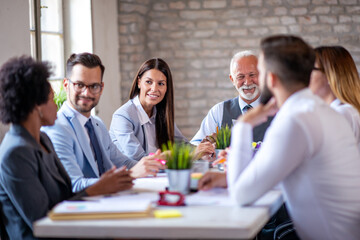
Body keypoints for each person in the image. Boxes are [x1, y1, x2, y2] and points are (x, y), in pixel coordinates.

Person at [199, 35, 360, 240]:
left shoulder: (295, 120)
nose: (251, 81)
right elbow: (285, 171)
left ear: (271, 79)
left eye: (260, 72)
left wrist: (243, 125)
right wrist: (227, 179)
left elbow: (241, 196)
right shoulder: (321, 110)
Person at [0, 56, 134, 239]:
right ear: (37, 106)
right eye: (52, 99)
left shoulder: (43, 140)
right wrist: (96, 188)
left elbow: (66, 192)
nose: (57, 105)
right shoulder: (15, 152)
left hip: (68, 227)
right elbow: (42, 218)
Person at [43, 53, 164, 193]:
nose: (86, 93)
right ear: (66, 85)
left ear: (101, 88)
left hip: (112, 200)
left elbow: (123, 162)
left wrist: (149, 165)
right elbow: (74, 184)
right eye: (79, 85)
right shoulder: (57, 128)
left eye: (94, 86)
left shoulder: (97, 124)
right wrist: (130, 174)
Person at [109, 58, 214, 161]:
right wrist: (175, 155)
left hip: (157, 175)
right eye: (149, 82)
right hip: (133, 177)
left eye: (161, 84)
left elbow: (182, 145)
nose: (154, 89)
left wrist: (203, 149)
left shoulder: (160, 114)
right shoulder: (123, 116)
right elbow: (139, 159)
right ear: (139, 82)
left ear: (167, 87)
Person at [190, 50, 272, 146]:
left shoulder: (277, 109)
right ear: (232, 79)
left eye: (252, 75)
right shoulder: (218, 112)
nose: (247, 82)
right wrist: (207, 148)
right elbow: (195, 145)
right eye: (240, 77)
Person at [309, 46, 360, 149]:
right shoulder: (346, 111)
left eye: (310, 69)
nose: (305, 76)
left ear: (329, 75)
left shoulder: (341, 114)